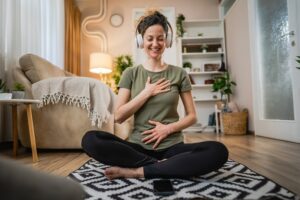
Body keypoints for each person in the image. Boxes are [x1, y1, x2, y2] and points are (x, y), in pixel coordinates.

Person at [82, 10, 228, 180]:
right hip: (138, 147)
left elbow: (192, 116)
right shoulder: (131, 73)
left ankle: (139, 171)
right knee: (90, 140)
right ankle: (164, 166)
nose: (155, 43)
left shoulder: (179, 73)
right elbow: (119, 116)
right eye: (149, 38)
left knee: (218, 151)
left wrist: (168, 129)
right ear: (141, 41)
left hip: (172, 146)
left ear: (167, 41)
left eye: (160, 38)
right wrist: (146, 93)